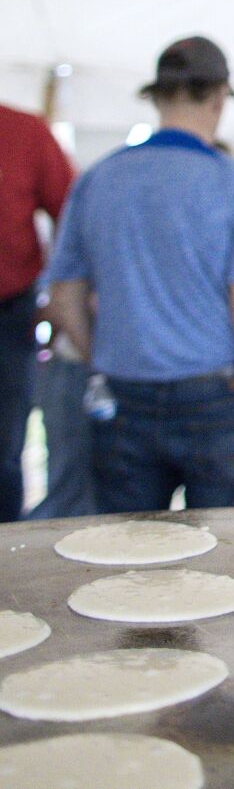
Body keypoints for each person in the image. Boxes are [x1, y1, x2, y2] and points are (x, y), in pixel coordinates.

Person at [44, 36, 234, 510]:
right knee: (222, 563)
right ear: (220, 96)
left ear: (157, 96)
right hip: (215, 399)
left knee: (127, 565)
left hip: (121, 396)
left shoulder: (97, 179)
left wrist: (103, 358)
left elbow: (64, 299)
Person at [0, 103, 75, 522]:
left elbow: (74, 213)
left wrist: (60, 292)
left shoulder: (24, 131)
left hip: (8, 312)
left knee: (4, 453)